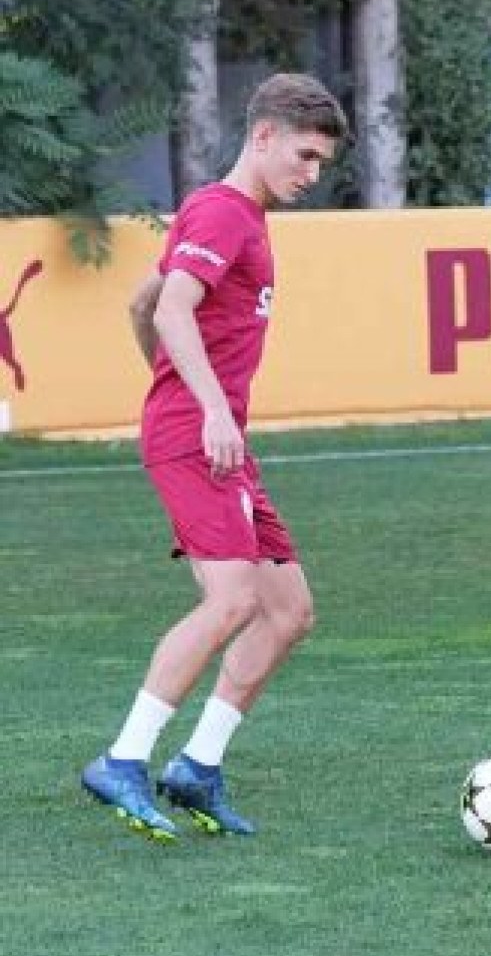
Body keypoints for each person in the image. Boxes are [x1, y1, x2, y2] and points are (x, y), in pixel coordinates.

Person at [82, 74, 348, 841]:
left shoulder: (244, 220)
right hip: (201, 436)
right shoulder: (221, 212)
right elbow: (171, 308)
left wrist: (174, 387)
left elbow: (143, 300)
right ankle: (122, 760)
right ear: (262, 136)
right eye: (303, 155)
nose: (311, 173)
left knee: (289, 611)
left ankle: (195, 767)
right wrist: (197, 406)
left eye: (321, 163)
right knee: (231, 601)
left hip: (216, 438)